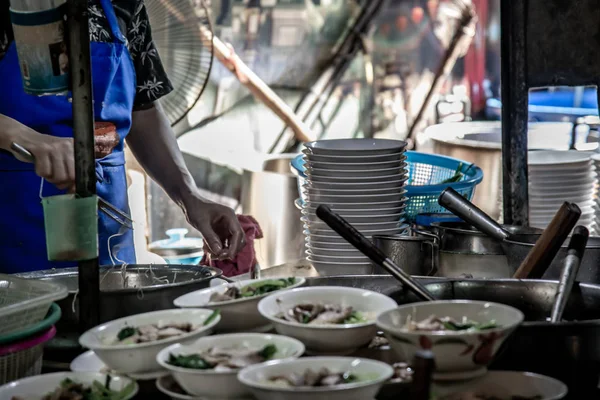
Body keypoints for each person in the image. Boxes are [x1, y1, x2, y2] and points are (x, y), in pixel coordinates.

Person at [0, 0, 244, 274]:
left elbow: (143, 107)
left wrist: (190, 197)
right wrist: (24, 138)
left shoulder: (122, 4)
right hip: (14, 228)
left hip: (107, 233)